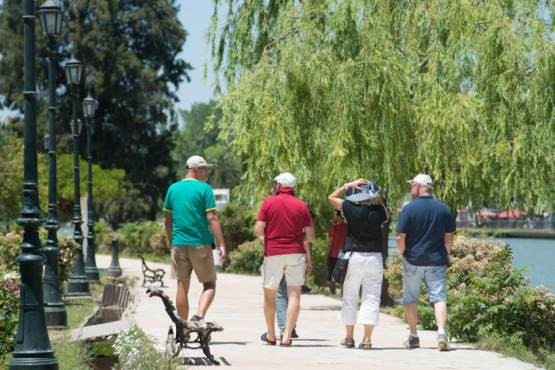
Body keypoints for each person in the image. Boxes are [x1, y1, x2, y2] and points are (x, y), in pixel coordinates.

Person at [163, 155, 227, 325]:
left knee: (182, 285)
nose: (207, 172)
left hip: (179, 244)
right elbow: (212, 218)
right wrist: (221, 243)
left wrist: (172, 242)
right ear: (196, 169)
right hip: (200, 243)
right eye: (205, 169)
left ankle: (183, 328)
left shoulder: (172, 189)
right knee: (209, 285)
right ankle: (198, 316)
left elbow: (167, 221)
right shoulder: (204, 189)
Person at [396, 174, 455, 351]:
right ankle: (442, 333)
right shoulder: (443, 208)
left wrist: (403, 252)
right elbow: (449, 235)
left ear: (418, 186)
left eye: (411, 186)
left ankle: (414, 337)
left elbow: (400, 236)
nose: (410, 190)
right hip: (436, 260)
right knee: (439, 297)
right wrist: (447, 253)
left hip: (413, 260)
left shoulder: (409, 209)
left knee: (410, 299)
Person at [328, 179, 388, 350]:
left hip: (354, 257)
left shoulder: (349, 207)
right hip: (374, 258)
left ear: (356, 195)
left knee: (350, 296)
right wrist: (378, 198)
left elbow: (331, 197)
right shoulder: (378, 211)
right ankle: (367, 339)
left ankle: (349, 338)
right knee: (372, 298)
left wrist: (348, 185)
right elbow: (386, 214)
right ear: (370, 195)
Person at [255, 172, 314, 347]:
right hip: (296, 252)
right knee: (294, 293)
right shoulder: (302, 205)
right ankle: (287, 336)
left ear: (279, 186)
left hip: (273, 252)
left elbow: (258, 231)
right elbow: (310, 237)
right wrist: (294, 238)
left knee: (270, 294)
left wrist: (274, 235)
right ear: (293, 188)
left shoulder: (268, 202)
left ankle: (272, 334)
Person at [326, 210, 348, 295]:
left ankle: (332, 293)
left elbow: (330, 243)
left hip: (334, 255)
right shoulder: (348, 228)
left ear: (339, 216)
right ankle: (343, 292)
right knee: (344, 274)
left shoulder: (333, 228)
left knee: (332, 276)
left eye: (334, 215)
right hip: (345, 254)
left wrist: (326, 256)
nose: (333, 217)